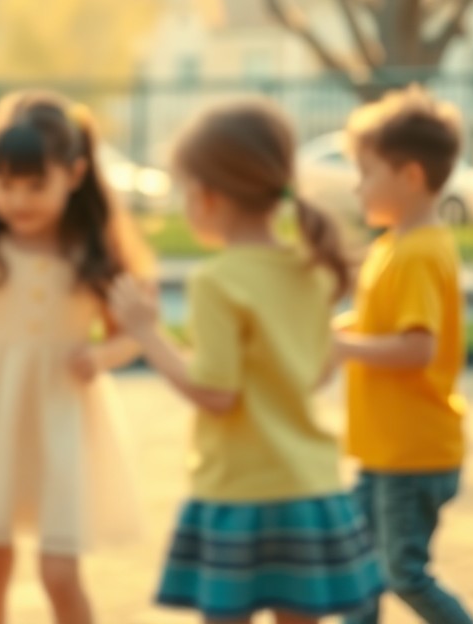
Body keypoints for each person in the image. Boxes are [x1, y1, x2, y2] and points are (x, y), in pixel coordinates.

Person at [108, 99, 384, 624]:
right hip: (309, 488)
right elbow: (320, 370)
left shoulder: (217, 281)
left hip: (242, 492)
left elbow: (216, 393)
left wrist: (147, 333)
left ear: (206, 196)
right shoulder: (311, 267)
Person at [0, 91, 146, 624]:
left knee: (60, 573)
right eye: (5, 185)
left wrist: (99, 356)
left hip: (63, 422)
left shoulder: (93, 255)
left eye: (35, 185)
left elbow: (133, 335)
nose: (18, 201)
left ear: (74, 174)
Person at [335, 87, 473, 624]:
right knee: (359, 570)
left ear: (411, 176)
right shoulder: (392, 245)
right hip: (384, 453)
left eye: (366, 173)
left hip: (411, 456)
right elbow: (378, 326)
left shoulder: (418, 252)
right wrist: (334, 334)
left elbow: (417, 349)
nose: (356, 185)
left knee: (402, 573)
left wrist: (341, 346)